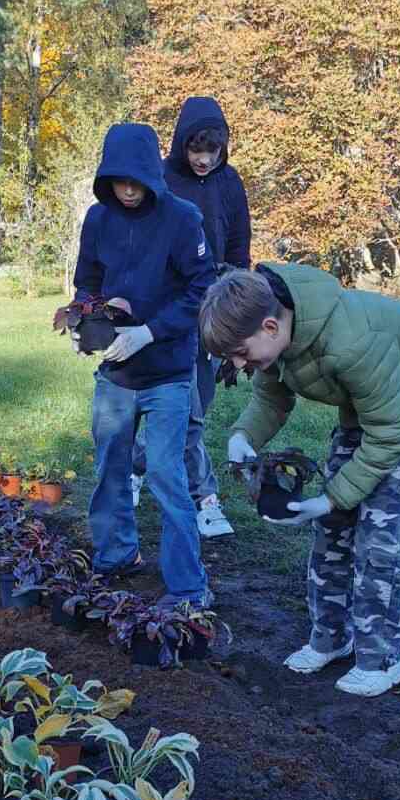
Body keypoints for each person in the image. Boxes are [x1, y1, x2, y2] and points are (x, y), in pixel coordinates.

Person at [199, 264, 400, 696]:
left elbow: (390, 433)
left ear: (270, 325)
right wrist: (242, 437)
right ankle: (332, 637)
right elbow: (271, 398)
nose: (237, 364)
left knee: (382, 530)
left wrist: (332, 497)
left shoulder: (349, 342)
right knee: (332, 528)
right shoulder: (276, 336)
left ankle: (385, 658)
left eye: (240, 352)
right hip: (373, 405)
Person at [60, 122, 214, 608]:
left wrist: (149, 331)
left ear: (151, 175)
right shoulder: (98, 219)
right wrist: (85, 326)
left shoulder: (183, 219)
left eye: (135, 180)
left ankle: (189, 587)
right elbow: (87, 283)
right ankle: (116, 556)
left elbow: (202, 291)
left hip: (168, 371)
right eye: (118, 181)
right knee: (109, 467)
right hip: (116, 375)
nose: (127, 190)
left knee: (168, 475)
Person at [131, 97, 251, 539]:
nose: (204, 159)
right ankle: (205, 499)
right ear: (182, 145)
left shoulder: (230, 183)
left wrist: (238, 315)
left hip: (214, 307)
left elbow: (239, 248)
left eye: (213, 152)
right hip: (171, 306)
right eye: (196, 150)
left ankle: (133, 466)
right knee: (190, 412)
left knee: (193, 408)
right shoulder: (161, 179)